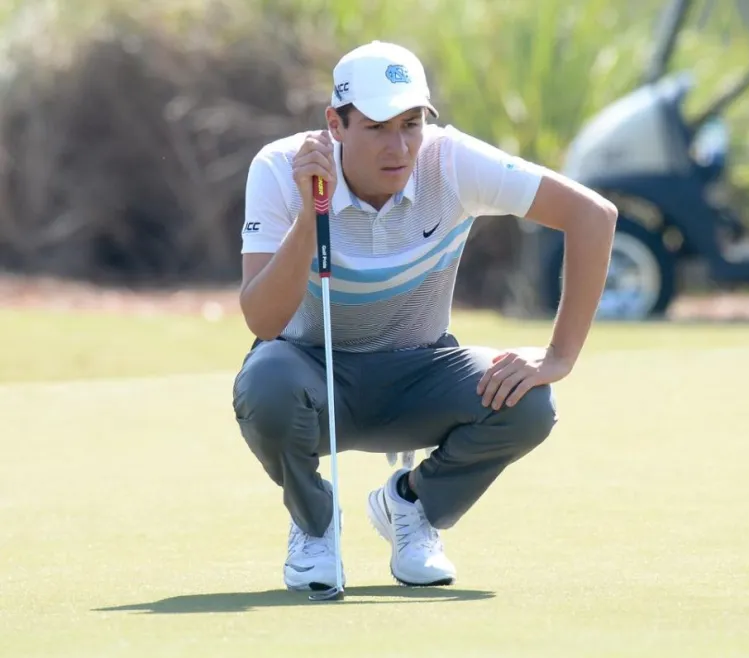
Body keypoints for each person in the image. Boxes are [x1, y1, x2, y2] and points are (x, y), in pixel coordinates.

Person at [232, 40, 617, 591]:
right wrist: (311, 213)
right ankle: (315, 524)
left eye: (411, 124)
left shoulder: (451, 161)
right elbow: (262, 321)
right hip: (310, 376)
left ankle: (411, 506)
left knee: (529, 400)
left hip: (419, 372)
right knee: (264, 380)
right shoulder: (278, 168)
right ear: (335, 125)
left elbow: (593, 216)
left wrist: (559, 356)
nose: (400, 147)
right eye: (377, 127)